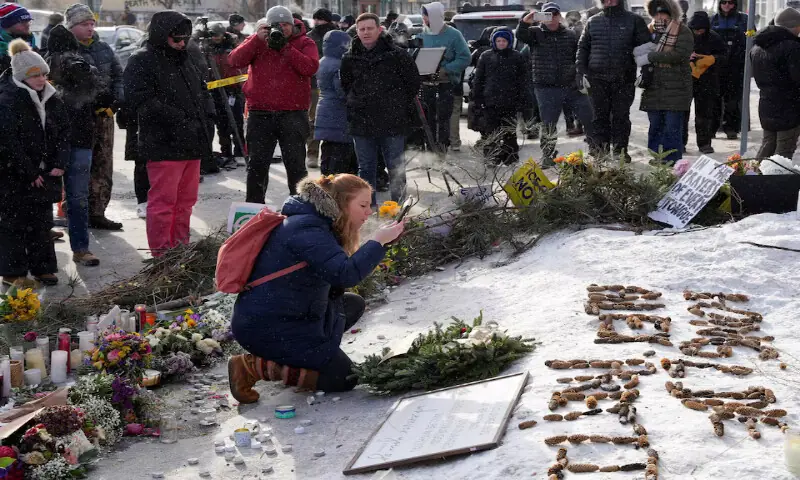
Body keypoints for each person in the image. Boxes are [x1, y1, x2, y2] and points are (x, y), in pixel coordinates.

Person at [228, 174, 406, 402]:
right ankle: (252, 366)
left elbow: (336, 277)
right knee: (345, 378)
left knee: (352, 305)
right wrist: (378, 241)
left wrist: (380, 242)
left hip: (291, 314)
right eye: (362, 205)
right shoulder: (306, 229)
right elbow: (345, 273)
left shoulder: (318, 222)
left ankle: (300, 358)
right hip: (267, 326)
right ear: (341, 203)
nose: (368, 212)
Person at [124, 11, 213, 256]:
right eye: (176, 39)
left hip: (192, 141)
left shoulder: (186, 58)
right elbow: (140, 100)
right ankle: (162, 254)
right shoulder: (142, 60)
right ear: (163, 35)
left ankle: (180, 248)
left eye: (185, 38)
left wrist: (208, 114)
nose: (182, 43)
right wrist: (179, 120)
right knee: (164, 203)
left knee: (186, 202)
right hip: (163, 143)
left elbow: (202, 90)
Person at [229, 6, 319, 202]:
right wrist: (255, 39)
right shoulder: (259, 41)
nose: (282, 29)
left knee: (295, 166)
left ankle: (299, 208)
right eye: (277, 25)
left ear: (293, 23)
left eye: (286, 24)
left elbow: (310, 68)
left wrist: (285, 48)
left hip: (293, 114)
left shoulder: (305, 42)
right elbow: (234, 60)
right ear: (267, 25)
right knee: (257, 166)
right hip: (260, 114)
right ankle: (254, 209)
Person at [0, 40, 68, 286]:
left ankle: (43, 267)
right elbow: (7, 141)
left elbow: (62, 131)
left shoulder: (51, 97)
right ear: (22, 76)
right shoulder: (7, 98)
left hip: (45, 171)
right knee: (13, 223)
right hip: (14, 174)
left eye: (44, 74)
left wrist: (60, 160)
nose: (41, 79)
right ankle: (13, 271)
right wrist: (28, 171)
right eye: (35, 75)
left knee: (42, 222)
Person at [340, 13, 420, 206]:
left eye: (369, 28)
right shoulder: (350, 57)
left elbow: (413, 83)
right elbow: (346, 85)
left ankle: (398, 209)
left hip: (392, 120)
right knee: (366, 169)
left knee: (395, 168)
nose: (366, 32)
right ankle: (368, 209)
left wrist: (395, 103)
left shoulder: (397, 55)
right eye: (362, 29)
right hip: (362, 122)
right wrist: (359, 102)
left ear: (379, 29)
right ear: (357, 32)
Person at [46, 24, 101, 267]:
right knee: (73, 197)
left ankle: (77, 249)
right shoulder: (40, 69)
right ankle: (74, 249)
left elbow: (96, 93)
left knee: (70, 196)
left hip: (75, 138)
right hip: (59, 140)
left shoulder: (82, 66)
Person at [66, 3, 125, 231]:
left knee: (103, 165)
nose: (90, 28)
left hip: (104, 117)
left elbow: (118, 76)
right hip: (78, 118)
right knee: (78, 167)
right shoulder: (66, 51)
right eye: (84, 24)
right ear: (72, 27)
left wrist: (116, 101)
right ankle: (75, 214)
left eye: (92, 23)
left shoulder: (104, 48)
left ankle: (98, 212)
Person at [518, 3, 595, 166]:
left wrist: (579, 74)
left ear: (559, 16)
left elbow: (581, 55)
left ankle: (596, 150)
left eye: (554, 14)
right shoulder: (535, 33)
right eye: (547, 15)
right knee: (548, 124)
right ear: (542, 17)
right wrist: (525, 21)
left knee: (589, 117)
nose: (551, 18)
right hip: (545, 87)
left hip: (571, 86)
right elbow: (520, 35)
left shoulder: (571, 34)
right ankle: (548, 156)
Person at [577, 0, 650, 162]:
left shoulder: (634, 20)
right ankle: (600, 151)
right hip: (597, 78)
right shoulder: (593, 21)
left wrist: (646, 70)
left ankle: (620, 151)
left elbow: (644, 47)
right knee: (599, 116)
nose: (609, 1)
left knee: (621, 116)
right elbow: (583, 48)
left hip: (623, 77)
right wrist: (580, 71)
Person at [638, 0, 693, 165]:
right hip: (653, 87)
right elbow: (638, 51)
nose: (659, 16)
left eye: (663, 12)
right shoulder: (648, 31)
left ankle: (672, 160)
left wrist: (651, 56)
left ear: (671, 13)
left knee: (672, 127)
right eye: (656, 12)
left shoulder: (682, 31)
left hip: (677, 87)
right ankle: (658, 157)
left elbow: (680, 55)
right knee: (655, 126)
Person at [470, 27, 532, 166]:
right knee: (490, 132)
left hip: (510, 101)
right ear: (494, 41)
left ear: (509, 42)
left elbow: (523, 80)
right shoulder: (486, 56)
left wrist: (523, 100)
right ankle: (492, 157)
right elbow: (479, 79)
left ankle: (510, 157)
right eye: (498, 40)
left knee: (509, 131)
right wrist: (477, 99)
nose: (501, 43)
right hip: (490, 102)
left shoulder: (517, 57)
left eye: (504, 40)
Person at [417, 2, 470, 152]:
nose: (424, 19)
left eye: (426, 15)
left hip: (445, 84)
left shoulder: (453, 34)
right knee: (427, 120)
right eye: (423, 15)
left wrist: (446, 69)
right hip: (426, 84)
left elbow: (465, 57)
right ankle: (429, 149)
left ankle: (442, 150)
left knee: (443, 119)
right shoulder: (422, 33)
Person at [750, 8, 800, 159]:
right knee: (784, 152)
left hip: (766, 104)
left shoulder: (758, 46)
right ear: (794, 26)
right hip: (789, 107)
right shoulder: (792, 47)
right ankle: (775, 178)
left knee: (768, 146)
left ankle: (752, 177)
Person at [684, 11, 727, 154]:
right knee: (682, 114)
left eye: (701, 30)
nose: (698, 32)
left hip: (708, 81)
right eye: (696, 30)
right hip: (686, 80)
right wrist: (687, 57)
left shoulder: (714, 38)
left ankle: (704, 143)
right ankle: (680, 142)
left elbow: (724, 56)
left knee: (705, 115)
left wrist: (712, 58)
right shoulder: (684, 36)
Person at [315, 30, 356, 175]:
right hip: (338, 115)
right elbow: (342, 92)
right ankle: (336, 191)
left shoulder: (322, 61)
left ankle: (326, 185)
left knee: (328, 152)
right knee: (340, 158)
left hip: (325, 112)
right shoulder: (339, 65)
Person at [207, 23, 246, 165]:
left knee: (237, 122)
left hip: (233, 91)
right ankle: (226, 152)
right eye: (213, 35)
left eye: (218, 34)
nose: (215, 38)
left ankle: (240, 151)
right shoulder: (207, 48)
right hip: (215, 92)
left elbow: (241, 68)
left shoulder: (233, 46)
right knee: (221, 125)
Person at [711, 0, 747, 139]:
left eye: (730, 2)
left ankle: (731, 127)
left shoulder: (743, 19)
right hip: (715, 66)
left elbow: (751, 39)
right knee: (714, 100)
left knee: (733, 100)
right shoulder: (712, 20)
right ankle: (712, 128)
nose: (727, 5)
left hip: (736, 66)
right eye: (724, 2)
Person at [308, 8, 339, 169]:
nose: (318, 22)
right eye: (316, 19)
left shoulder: (337, 35)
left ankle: (334, 154)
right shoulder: (310, 37)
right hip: (314, 84)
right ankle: (312, 153)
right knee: (314, 120)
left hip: (334, 85)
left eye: (321, 19)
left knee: (333, 120)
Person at [0, 3, 35, 73]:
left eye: (28, 21)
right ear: (7, 24)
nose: (28, 25)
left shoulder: (31, 43)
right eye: (23, 22)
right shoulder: (2, 53)